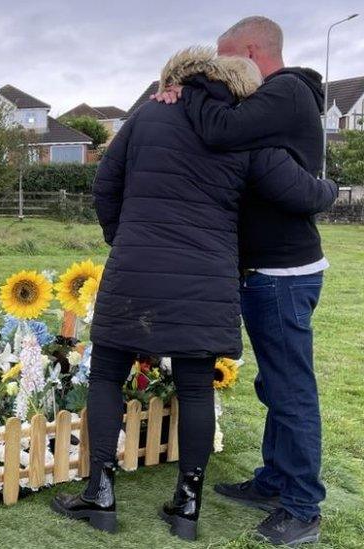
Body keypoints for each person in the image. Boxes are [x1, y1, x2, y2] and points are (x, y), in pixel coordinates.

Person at [50, 47, 337, 542]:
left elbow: (105, 183)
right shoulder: (242, 132)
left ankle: (100, 493)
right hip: (205, 276)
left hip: (136, 267)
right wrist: (329, 188)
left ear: (173, 79)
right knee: (195, 386)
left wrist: (124, 237)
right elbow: (290, 191)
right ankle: (187, 504)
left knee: (107, 376)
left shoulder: (147, 117)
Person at [153, 16, 330, 546]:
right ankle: (275, 480)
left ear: (251, 52)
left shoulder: (286, 92)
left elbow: (218, 129)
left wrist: (194, 85)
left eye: (228, 61)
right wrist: (173, 92)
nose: (224, 73)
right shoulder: (268, 105)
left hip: (281, 272)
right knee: (274, 383)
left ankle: (302, 507)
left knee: (290, 389)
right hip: (267, 270)